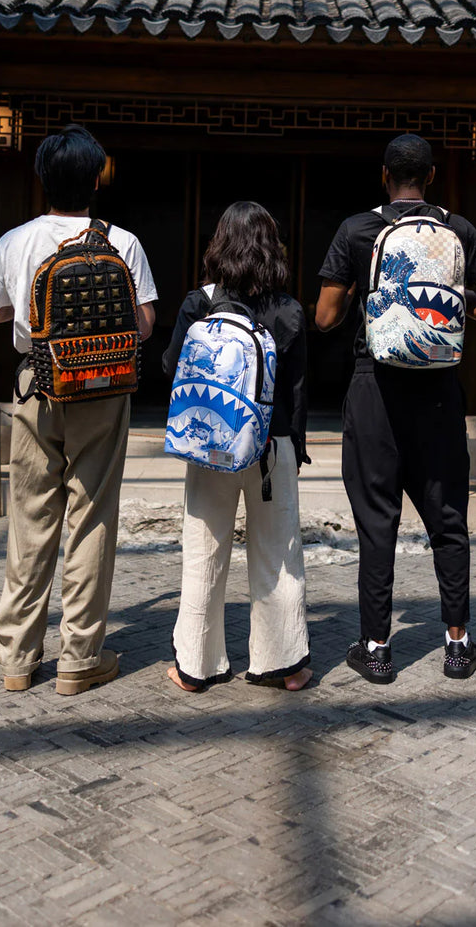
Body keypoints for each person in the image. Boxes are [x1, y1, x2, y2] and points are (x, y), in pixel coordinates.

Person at [315, 134, 476, 683]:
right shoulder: (459, 230)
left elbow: (326, 318)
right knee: (448, 521)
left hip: (375, 389)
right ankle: (457, 646)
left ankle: (376, 648)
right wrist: (449, 303)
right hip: (440, 393)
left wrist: (370, 295)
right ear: (431, 177)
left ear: (384, 175)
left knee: (378, 523)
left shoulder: (357, 230)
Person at [0, 124, 157, 695]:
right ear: (95, 179)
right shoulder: (122, 242)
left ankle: (17, 660)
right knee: (92, 516)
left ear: (42, 180)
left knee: (31, 517)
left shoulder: (15, 240)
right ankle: (80, 657)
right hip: (101, 389)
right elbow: (146, 325)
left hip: (36, 385)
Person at [162, 201, 312, 693]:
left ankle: (196, 667)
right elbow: (296, 390)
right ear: (273, 249)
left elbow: (170, 368)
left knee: (204, 551)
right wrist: (296, 448)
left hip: (210, 445)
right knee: (277, 553)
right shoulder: (288, 310)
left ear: (219, 245)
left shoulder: (197, 304)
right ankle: (282, 664)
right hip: (271, 448)